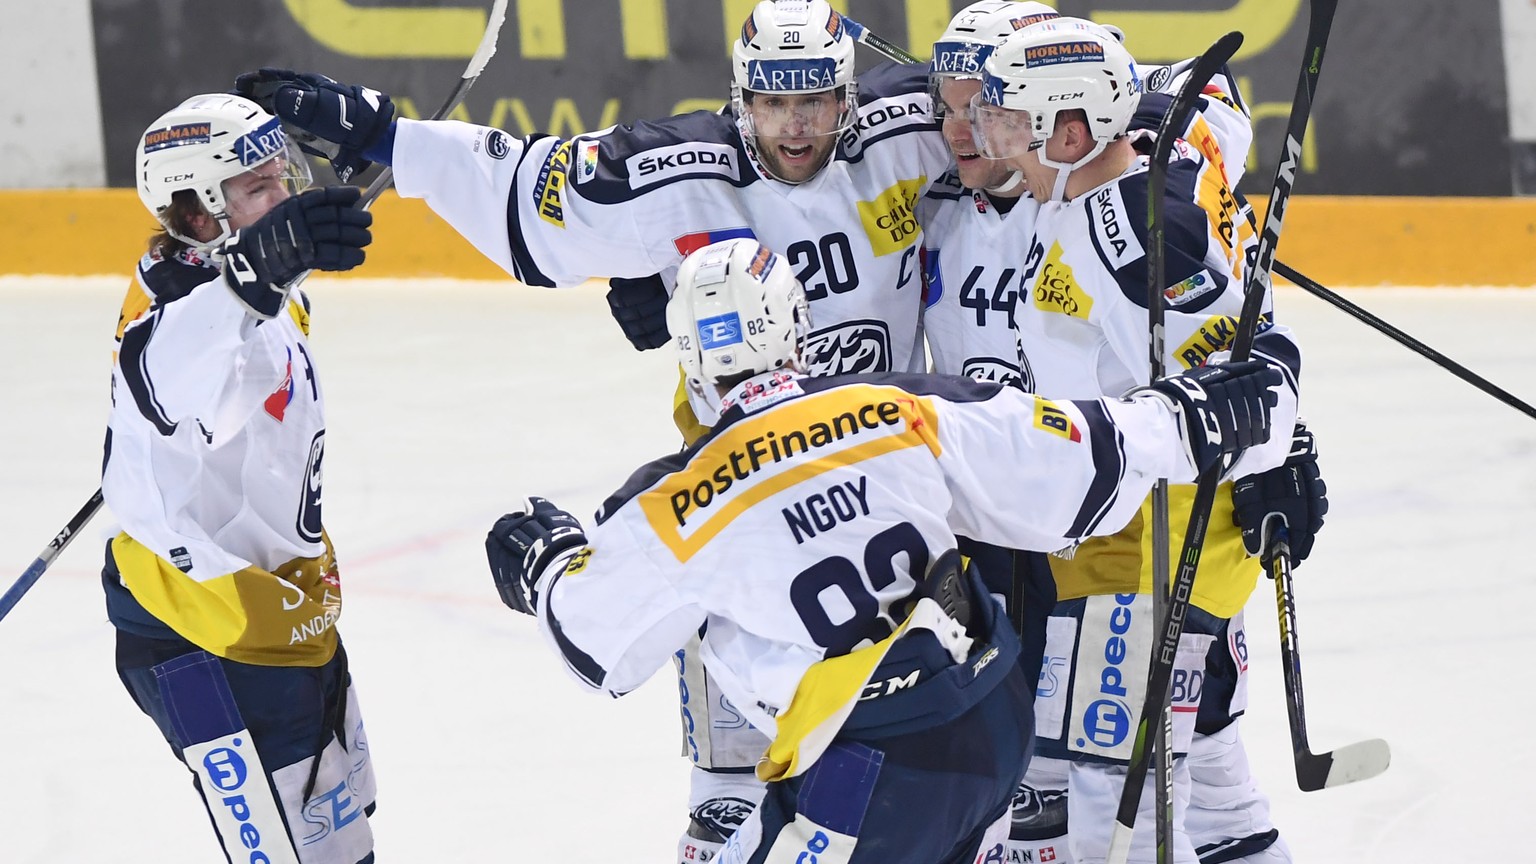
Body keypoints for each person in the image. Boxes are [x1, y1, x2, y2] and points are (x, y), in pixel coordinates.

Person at [235, 3, 953, 858]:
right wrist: (383, 134)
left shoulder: (914, 129)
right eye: (770, 103)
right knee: (729, 794)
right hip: (738, 492)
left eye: (815, 103)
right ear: (739, 97)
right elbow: (524, 186)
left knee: (907, 749)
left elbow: (1019, 108)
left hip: (887, 485)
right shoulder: (672, 168)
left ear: (849, 96)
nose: (794, 128)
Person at [483, 237, 1283, 864]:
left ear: (688, 356)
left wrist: (546, 560)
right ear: (796, 327)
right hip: (995, 717)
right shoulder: (900, 406)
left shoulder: (672, 500)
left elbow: (594, 647)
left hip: (872, 773)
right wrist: (1198, 413)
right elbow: (1085, 456)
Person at [964, 19, 1317, 864]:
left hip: (1149, 553)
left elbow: (1256, 377)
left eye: (1010, 118)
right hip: (1118, 545)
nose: (987, 130)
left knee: (1112, 815)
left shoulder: (1122, 236)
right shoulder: (1107, 182)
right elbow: (1208, 90)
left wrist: (1284, 448)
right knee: (1209, 790)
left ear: (1072, 131)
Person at [102, 92, 377, 864]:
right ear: (195, 214)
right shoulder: (184, 304)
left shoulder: (244, 275)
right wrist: (255, 278)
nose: (284, 198)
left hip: (287, 604)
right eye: (259, 190)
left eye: (279, 176)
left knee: (343, 830)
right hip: (208, 625)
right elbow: (164, 371)